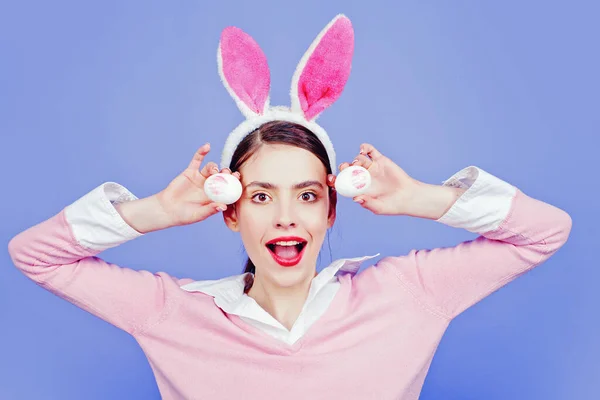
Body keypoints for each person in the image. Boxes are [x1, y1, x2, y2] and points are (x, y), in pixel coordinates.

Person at [7, 15, 572, 400]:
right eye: (259, 196)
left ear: (331, 208)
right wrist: (155, 211)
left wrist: (420, 199)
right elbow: (35, 256)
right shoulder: (172, 311)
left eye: (307, 195)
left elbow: (545, 232)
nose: (286, 217)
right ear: (229, 211)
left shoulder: (407, 294)